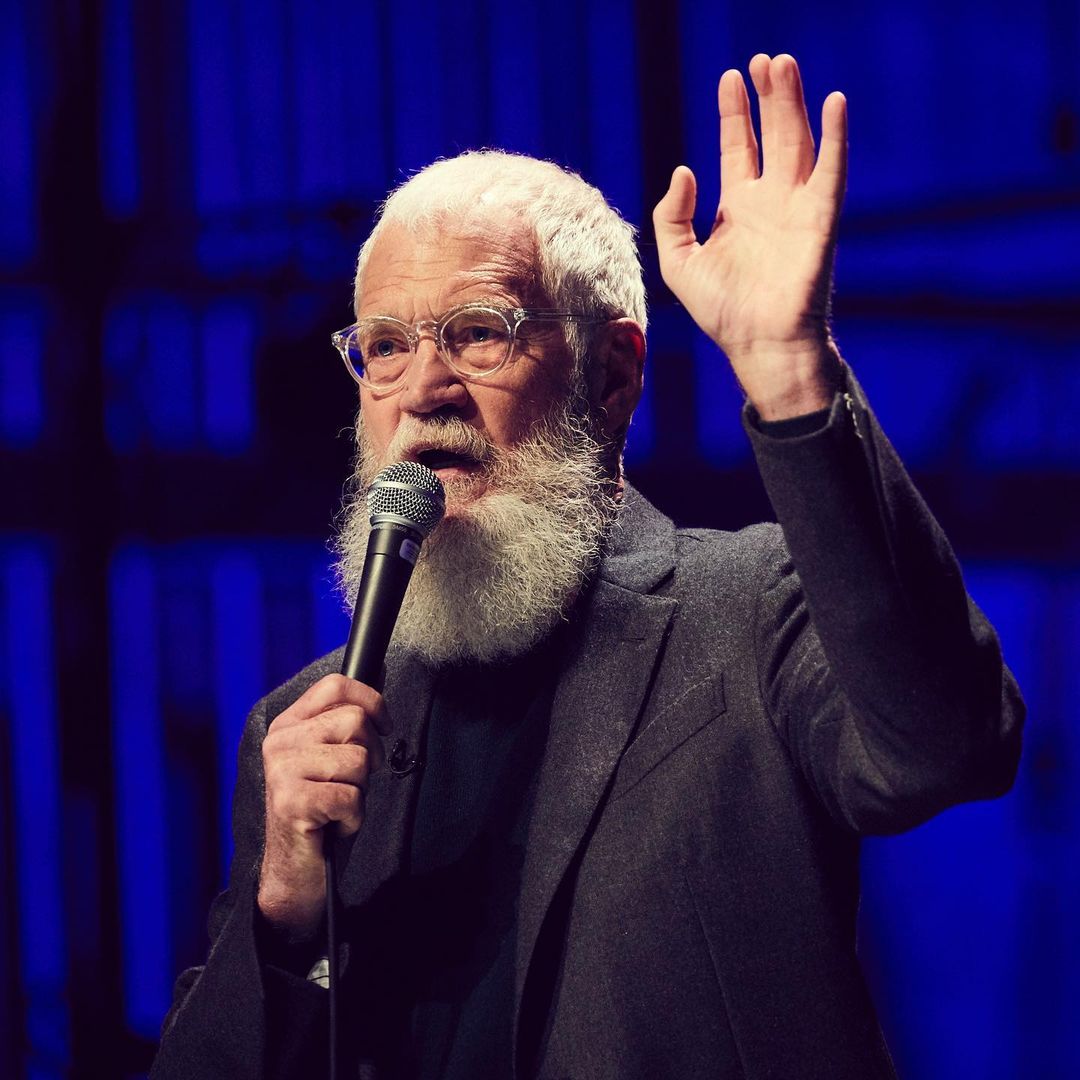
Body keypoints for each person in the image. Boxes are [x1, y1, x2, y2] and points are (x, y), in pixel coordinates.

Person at [151, 54, 1024, 1080]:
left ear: (610, 376)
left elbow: (946, 747)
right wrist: (285, 916)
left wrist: (792, 372)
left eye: (477, 334)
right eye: (382, 348)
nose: (421, 387)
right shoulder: (303, 733)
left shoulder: (750, 612)